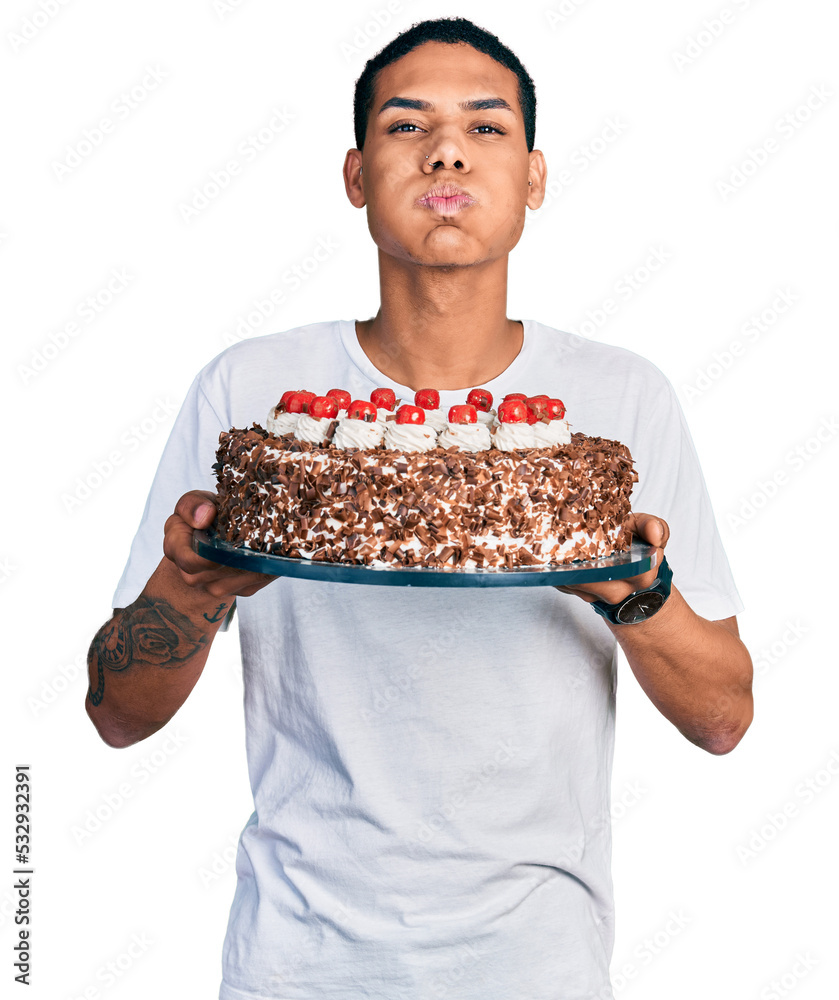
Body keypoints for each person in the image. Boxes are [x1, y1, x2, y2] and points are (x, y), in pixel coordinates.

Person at [86, 17, 753, 1000]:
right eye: (408, 126)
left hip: (539, 968)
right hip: (296, 965)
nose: (445, 149)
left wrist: (629, 589)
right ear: (354, 174)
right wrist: (189, 590)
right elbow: (115, 712)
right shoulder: (255, 392)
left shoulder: (618, 403)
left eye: (484, 128)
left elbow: (724, 717)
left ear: (533, 174)